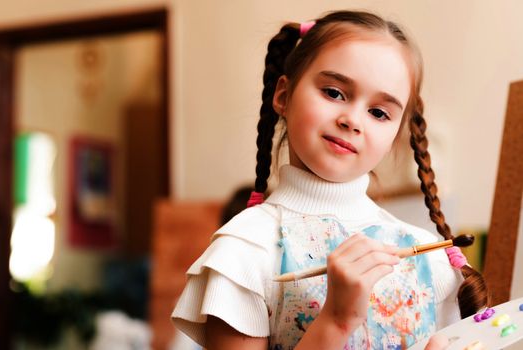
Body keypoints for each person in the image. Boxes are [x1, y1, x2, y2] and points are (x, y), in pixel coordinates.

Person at [172, 10, 489, 349]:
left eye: (379, 113)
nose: (352, 120)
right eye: (334, 92)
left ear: (395, 134)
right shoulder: (243, 253)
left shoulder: (430, 259)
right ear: (283, 95)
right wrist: (336, 320)